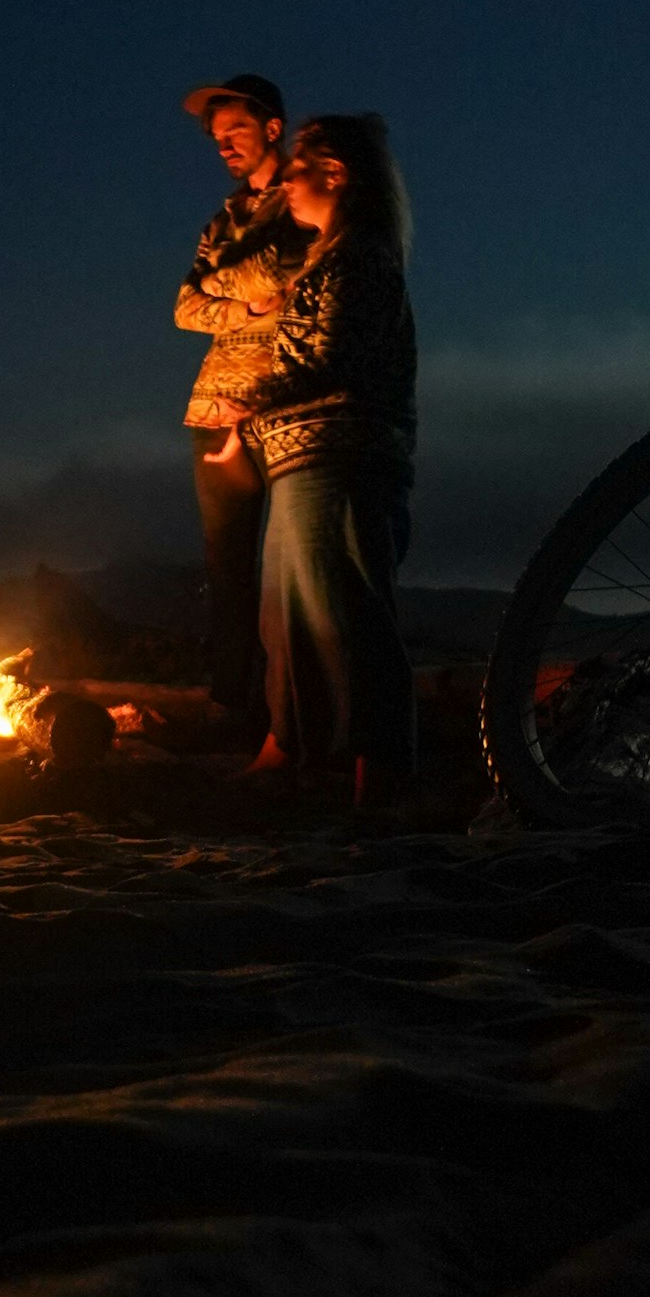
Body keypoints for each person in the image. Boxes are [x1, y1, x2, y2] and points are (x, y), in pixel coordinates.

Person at [202, 112, 417, 813]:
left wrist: (249, 400)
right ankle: (288, 749)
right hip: (298, 459)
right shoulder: (327, 256)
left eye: (299, 167)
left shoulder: (361, 258)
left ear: (337, 174)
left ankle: (378, 774)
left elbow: (332, 358)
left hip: (341, 458)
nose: (286, 180)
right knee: (285, 615)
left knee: (343, 608)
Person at [174, 74, 310, 724]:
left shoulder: (310, 197)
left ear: (273, 128)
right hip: (212, 410)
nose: (225, 146)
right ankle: (233, 706)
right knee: (227, 570)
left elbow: (282, 264)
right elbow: (182, 308)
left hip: (285, 403)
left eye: (237, 132)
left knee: (294, 568)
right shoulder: (223, 217)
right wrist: (249, 302)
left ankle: (297, 713)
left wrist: (225, 286)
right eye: (218, 138)